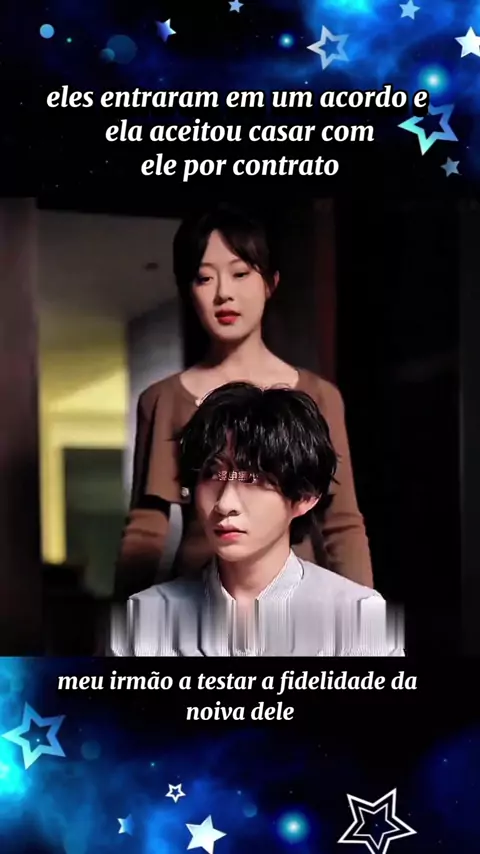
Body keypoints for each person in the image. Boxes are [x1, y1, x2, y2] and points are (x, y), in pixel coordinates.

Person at [115, 204, 372, 600]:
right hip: (198, 598)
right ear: (188, 291)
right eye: (204, 278)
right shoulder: (162, 399)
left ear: (270, 282)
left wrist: (363, 614)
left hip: (295, 598)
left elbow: (342, 524)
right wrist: (126, 619)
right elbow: (146, 529)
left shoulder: (319, 396)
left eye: (239, 273)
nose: (223, 293)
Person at [110, 384, 402, 656]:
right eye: (213, 474)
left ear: (305, 496)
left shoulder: (358, 616)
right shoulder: (144, 618)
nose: (225, 504)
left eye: (251, 478)